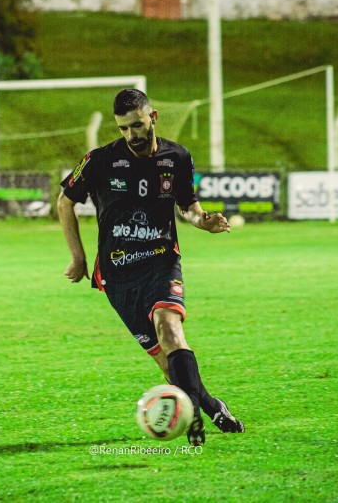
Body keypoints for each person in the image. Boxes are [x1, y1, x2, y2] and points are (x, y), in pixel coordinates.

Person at [57, 89, 244, 446]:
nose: (132, 135)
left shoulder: (177, 156)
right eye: (124, 129)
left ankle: (193, 425)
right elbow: (64, 201)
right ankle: (210, 405)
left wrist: (203, 221)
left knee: (171, 331)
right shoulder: (98, 160)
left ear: (153, 117)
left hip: (161, 262)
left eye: (138, 125)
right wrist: (78, 257)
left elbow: (188, 205)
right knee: (167, 366)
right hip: (118, 274)